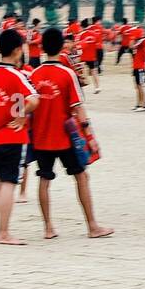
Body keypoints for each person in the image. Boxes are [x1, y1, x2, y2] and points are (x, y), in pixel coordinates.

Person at [28, 28, 112, 240]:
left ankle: (48, 228)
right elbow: (78, 109)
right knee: (81, 177)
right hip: (66, 138)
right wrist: (90, 137)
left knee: (44, 180)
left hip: (41, 138)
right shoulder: (68, 74)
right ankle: (92, 226)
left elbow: (22, 108)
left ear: (42, 47)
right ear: (62, 46)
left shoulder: (33, 75)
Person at [0, 29, 39, 245]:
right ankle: (4, 232)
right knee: (9, 184)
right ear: (16, 51)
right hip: (13, 137)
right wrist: (23, 115)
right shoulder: (18, 75)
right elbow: (34, 99)